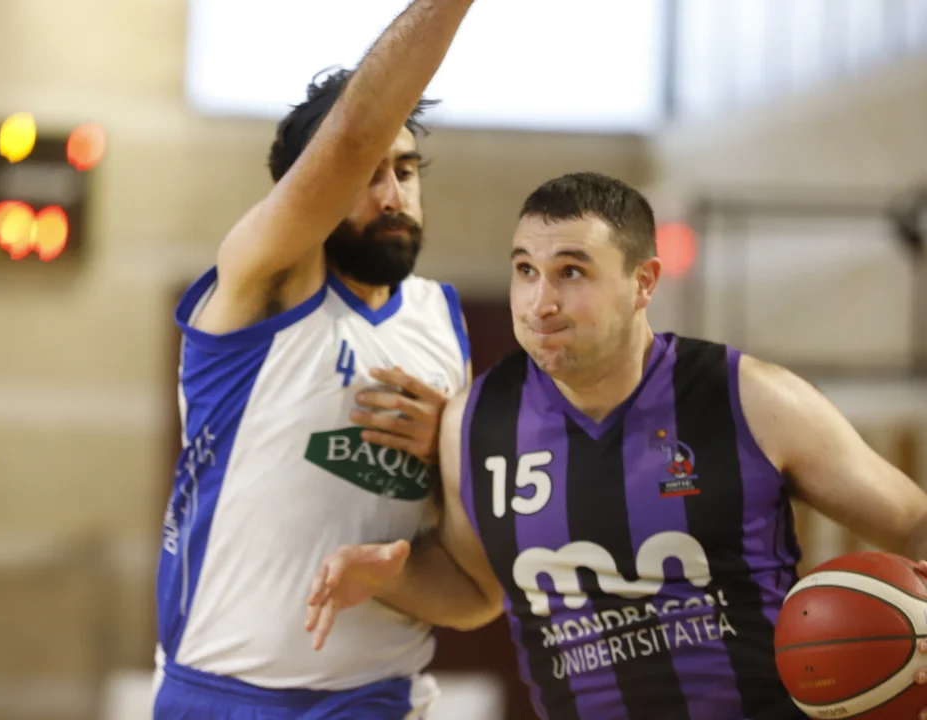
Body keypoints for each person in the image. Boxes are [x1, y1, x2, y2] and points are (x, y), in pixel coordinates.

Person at [306, 172, 927, 720]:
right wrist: (391, 578)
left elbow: (913, 522)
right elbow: (476, 592)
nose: (541, 302)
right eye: (525, 271)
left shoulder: (752, 397)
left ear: (643, 282)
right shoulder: (475, 421)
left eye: (571, 272)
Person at [151, 1, 478, 718]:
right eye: (368, 175)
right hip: (222, 695)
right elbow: (351, 134)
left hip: (380, 697)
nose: (393, 196)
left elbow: (474, 593)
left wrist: (450, 448)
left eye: (406, 171)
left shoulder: (442, 322)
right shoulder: (261, 282)